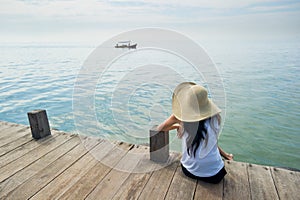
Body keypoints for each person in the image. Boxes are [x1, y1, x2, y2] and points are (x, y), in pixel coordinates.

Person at [157, 82, 233, 184]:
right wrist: (226, 155)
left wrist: (176, 125)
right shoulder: (216, 119)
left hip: (189, 171)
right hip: (216, 175)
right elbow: (211, 143)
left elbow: (159, 128)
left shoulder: (181, 119)